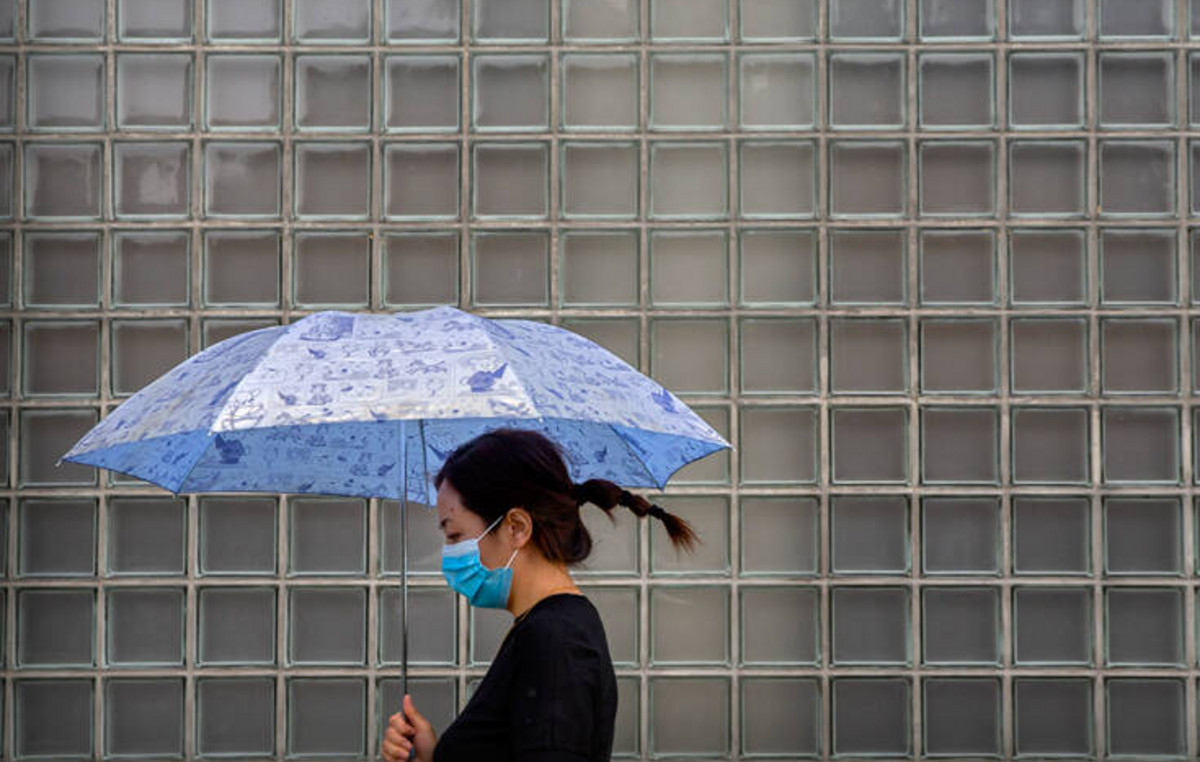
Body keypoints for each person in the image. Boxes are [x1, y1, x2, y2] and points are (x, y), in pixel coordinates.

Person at [380, 428, 697, 762]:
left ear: (517, 527)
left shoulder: (554, 639)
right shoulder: (548, 626)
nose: (449, 554)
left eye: (455, 535)